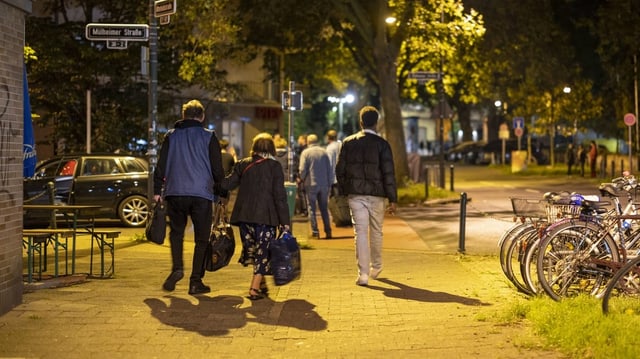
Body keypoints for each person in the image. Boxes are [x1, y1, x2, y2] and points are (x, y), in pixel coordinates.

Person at [154, 99, 225, 295]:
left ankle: (177, 268)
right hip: (201, 193)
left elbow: (160, 165)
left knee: (176, 233)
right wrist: (221, 192)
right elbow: (217, 168)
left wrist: (156, 190)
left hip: (175, 192)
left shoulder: (171, 136)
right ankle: (195, 281)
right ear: (202, 116)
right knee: (201, 238)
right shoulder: (208, 137)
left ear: (183, 116)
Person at [221, 132, 291, 300]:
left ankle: (262, 284)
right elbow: (279, 197)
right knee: (263, 253)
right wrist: (285, 222)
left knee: (254, 251)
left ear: (255, 148)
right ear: (271, 149)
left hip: (244, 218)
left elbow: (228, 184)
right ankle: (254, 289)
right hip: (265, 218)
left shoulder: (243, 164)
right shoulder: (274, 167)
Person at [336, 106, 397, 286]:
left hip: (356, 194)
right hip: (377, 194)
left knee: (360, 233)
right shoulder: (382, 144)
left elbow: (340, 170)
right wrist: (392, 199)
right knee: (376, 230)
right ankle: (376, 266)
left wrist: (344, 189)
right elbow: (389, 173)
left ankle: (362, 274)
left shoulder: (348, 142)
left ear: (361, 122)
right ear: (376, 122)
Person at [299, 133, 333, 239]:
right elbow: (329, 169)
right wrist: (329, 183)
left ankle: (315, 232)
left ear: (308, 142)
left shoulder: (305, 153)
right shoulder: (324, 152)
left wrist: (301, 178)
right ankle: (328, 231)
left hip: (311, 184)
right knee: (324, 208)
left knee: (311, 208)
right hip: (324, 184)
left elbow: (303, 169)